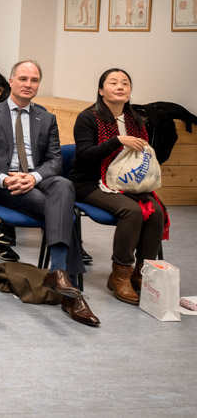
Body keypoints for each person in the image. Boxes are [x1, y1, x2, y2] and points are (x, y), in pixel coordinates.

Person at [0, 60, 97, 326]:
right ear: (11, 82)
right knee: (64, 212)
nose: (29, 84)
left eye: (35, 80)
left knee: (63, 185)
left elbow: (55, 162)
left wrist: (33, 177)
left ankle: (58, 272)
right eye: (23, 79)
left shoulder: (46, 117)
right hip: (0, 186)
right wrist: (5, 180)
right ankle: (71, 293)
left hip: (34, 180)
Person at [69, 68, 166, 306]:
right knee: (131, 211)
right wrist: (117, 142)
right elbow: (83, 157)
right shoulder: (88, 118)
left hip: (128, 181)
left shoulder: (136, 119)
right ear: (101, 90)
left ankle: (143, 273)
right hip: (89, 181)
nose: (120, 86)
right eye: (113, 83)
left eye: (125, 83)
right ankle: (120, 274)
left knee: (156, 212)